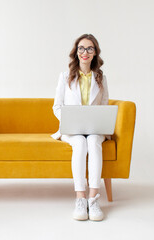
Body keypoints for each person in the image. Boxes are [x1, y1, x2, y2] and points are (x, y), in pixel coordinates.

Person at [51, 33, 109, 221]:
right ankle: (80, 198)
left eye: (89, 48)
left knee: (92, 142)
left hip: (94, 129)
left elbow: (105, 106)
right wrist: (68, 118)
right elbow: (57, 106)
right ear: (76, 52)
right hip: (72, 129)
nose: (85, 52)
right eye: (81, 48)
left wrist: (100, 123)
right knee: (80, 144)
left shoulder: (101, 77)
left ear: (95, 53)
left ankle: (93, 199)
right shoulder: (65, 76)